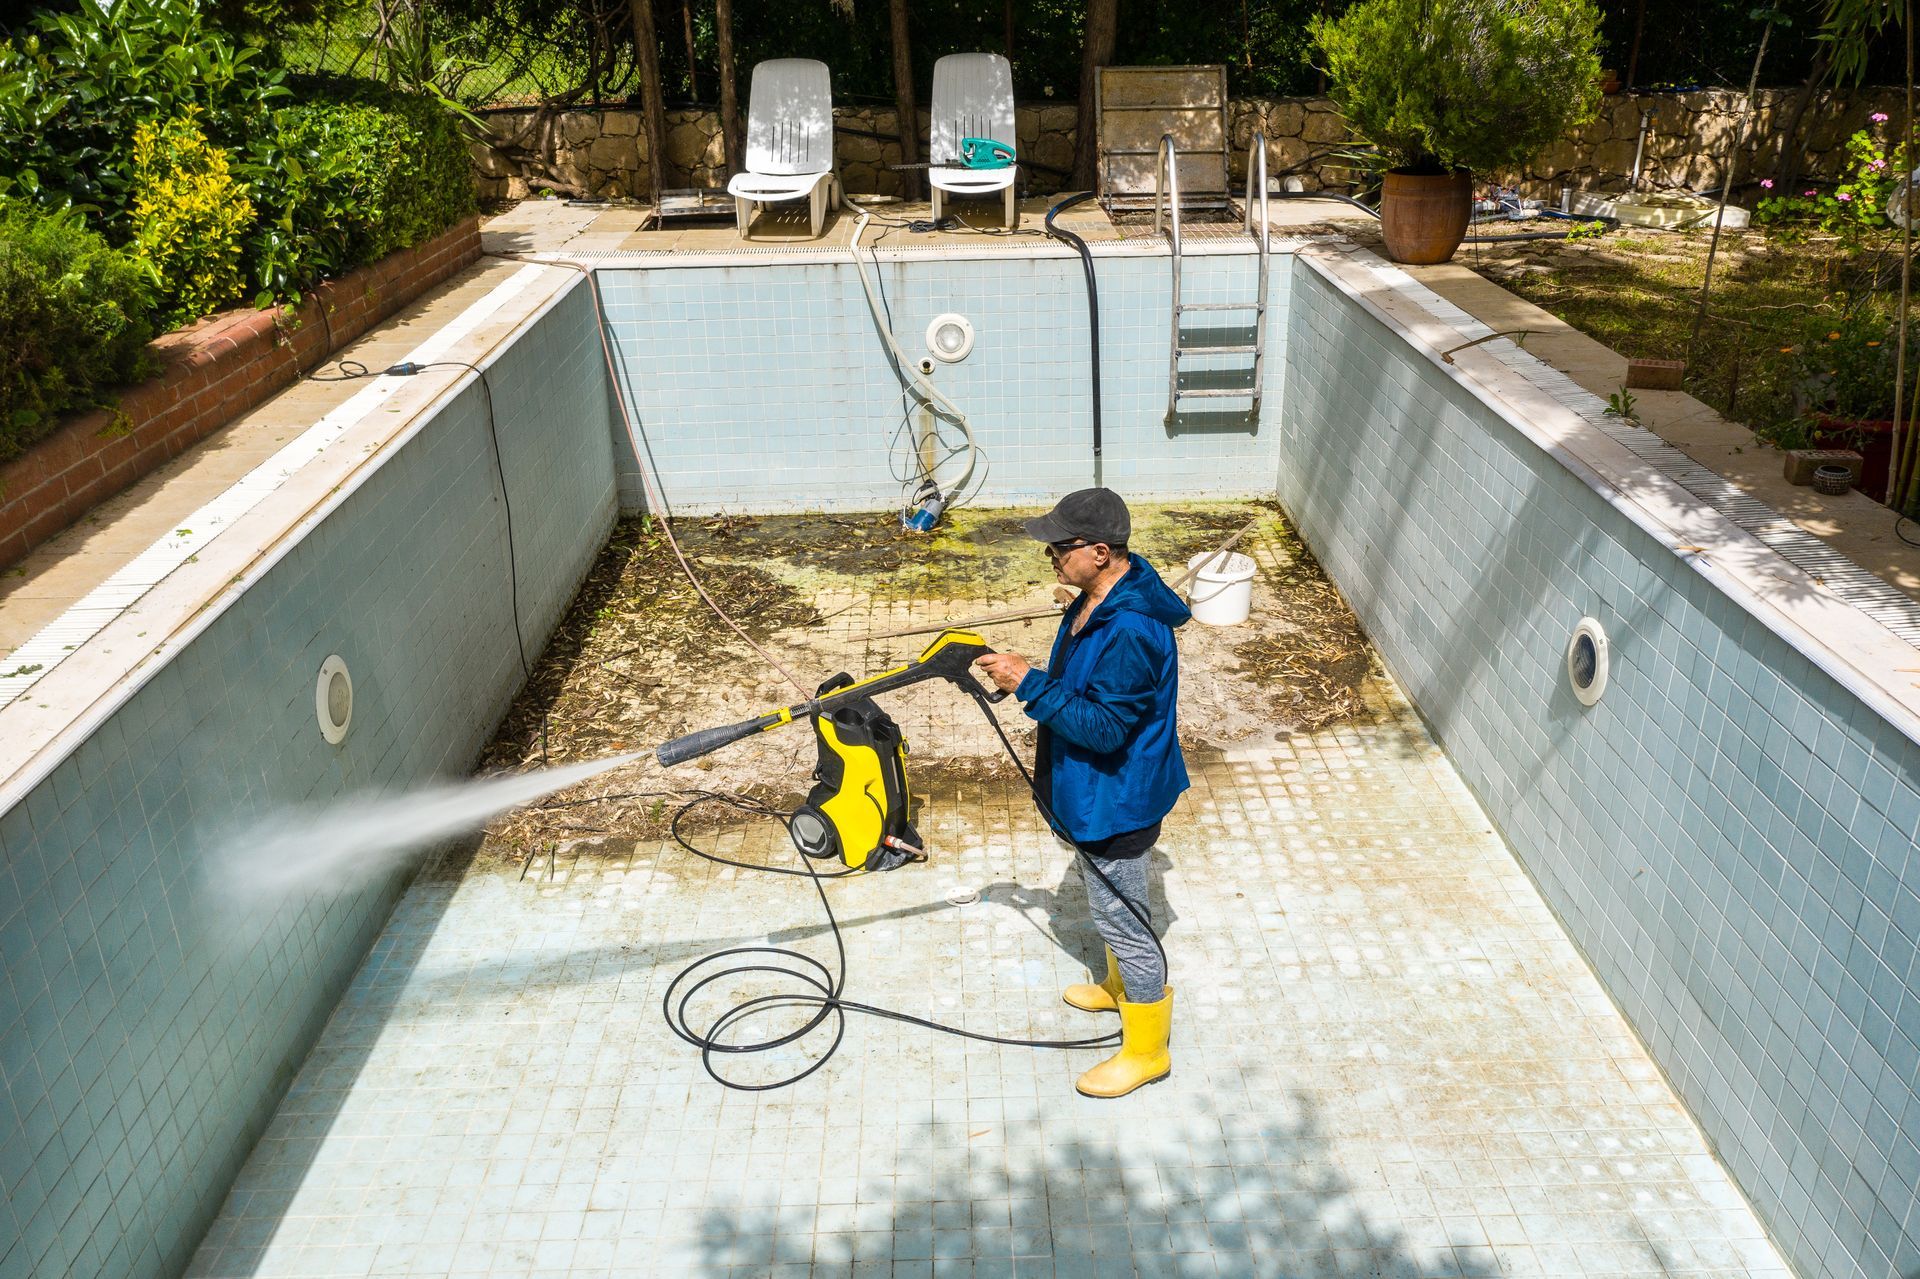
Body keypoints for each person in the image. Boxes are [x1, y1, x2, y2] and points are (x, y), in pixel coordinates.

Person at [973, 487, 1190, 1098]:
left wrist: (1027, 683)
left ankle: (1147, 1050)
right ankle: (1119, 990)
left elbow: (1105, 728)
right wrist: (1040, 666)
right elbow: (1086, 687)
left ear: (1100, 551)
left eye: (1058, 548)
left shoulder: (1131, 630)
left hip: (1119, 795)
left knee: (1124, 921)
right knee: (1111, 904)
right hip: (1095, 789)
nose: (1050, 557)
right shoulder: (1097, 601)